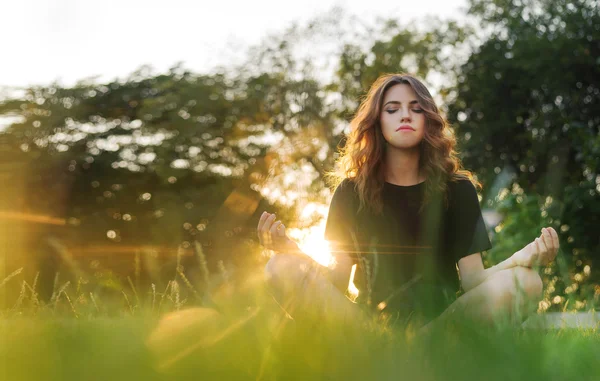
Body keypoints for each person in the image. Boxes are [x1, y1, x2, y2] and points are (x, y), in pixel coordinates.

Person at [257, 73, 559, 331]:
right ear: (377, 122)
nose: (405, 115)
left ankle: (423, 350)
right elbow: (335, 283)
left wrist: (522, 258)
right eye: (392, 109)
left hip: (442, 327)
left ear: (428, 121)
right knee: (280, 266)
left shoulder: (458, 189)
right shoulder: (350, 192)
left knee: (528, 282)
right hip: (369, 330)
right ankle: (381, 349)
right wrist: (293, 251)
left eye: (416, 109)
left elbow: (474, 281)